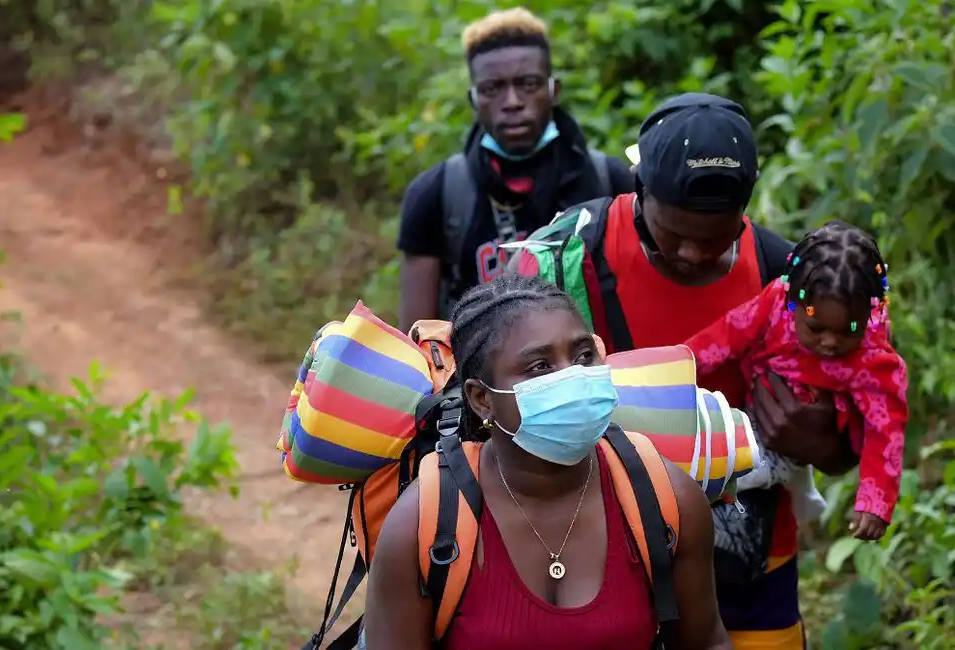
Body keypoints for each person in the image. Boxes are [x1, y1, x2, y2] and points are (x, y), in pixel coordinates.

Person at [510, 92, 860, 649]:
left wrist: (826, 440)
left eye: (716, 239)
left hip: (746, 563)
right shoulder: (566, 259)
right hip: (597, 553)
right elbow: (503, 402)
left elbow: (851, 435)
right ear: (639, 189)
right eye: (673, 236)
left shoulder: (784, 276)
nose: (695, 255)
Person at [364, 274, 731, 650]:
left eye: (583, 355)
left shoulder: (664, 498)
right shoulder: (424, 525)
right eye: (539, 366)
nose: (573, 377)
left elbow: (707, 641)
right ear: (481, 399)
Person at [396, 7, 635, 332]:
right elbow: (418, 340)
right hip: (480, 378)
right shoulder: (437, 194)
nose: (512, 102)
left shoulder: (609, 180)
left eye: (529, 84)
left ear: (554, 90)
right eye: (493, 89)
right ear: (474, 99)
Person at [684, 221, 908, 541]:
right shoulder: (777, 303)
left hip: (796, 443)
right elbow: (729, 333)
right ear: (794, 300)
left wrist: (876, 503)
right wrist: (679, 367)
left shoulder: (875, 361)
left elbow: (886, 434)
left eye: (848, 331)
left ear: (869, 311)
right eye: (816, 328)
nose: (830, 342)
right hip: (752, 403)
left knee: (720, 475)